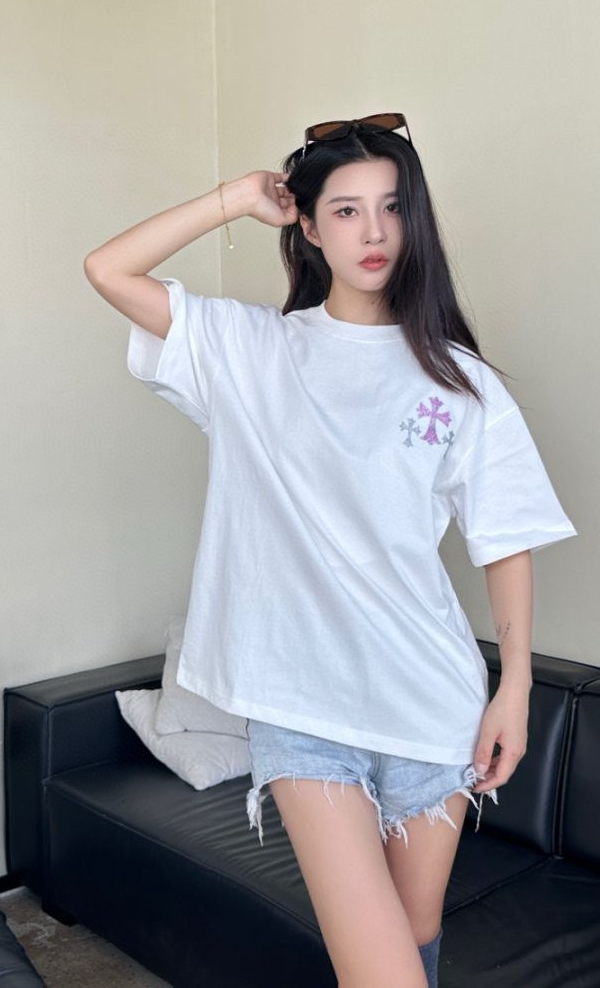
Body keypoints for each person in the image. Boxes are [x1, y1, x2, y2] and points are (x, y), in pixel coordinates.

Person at [83, 114, 576, 988]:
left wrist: (515, 688)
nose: (374, 231)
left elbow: (506, 540)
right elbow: (107, 269)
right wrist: (238, 197)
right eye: (345, 210)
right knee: (380, 973)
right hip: (303, 711)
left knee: (415, 936)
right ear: (307, 226)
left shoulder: (461, 380)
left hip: (431, 702)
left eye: (392, 207)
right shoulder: (250, 350)